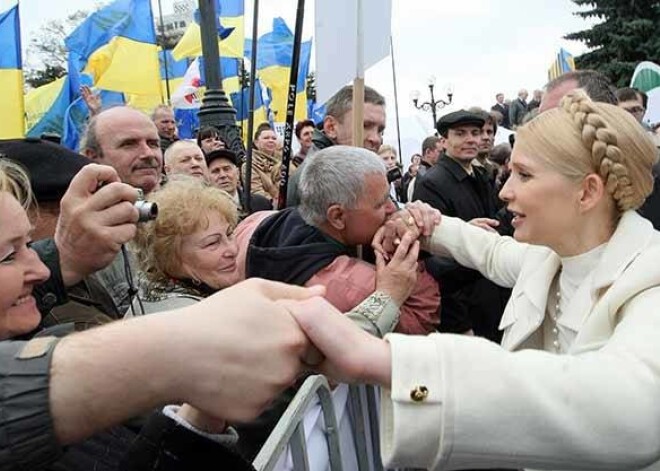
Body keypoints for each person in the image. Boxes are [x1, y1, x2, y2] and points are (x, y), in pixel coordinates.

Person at [291, 90, 660, 471]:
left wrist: (392, 363)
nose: (505, 190)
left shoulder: (650, 279)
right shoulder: (553, 256)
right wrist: (420, 223)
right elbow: (489, 251)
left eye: (525, 175)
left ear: (587, 192)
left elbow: (636, 411)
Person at [0, 158, 339, 470]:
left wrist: (201, 417)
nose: (231, 250)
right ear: (171, 256)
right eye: (8, 255)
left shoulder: (205, 296)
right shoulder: (180, 312)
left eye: (28, 245)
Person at [413, 110, 509, 341]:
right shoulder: (432, 183)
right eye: (460, 134)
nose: (471, 139)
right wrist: (459, 324)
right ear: (444, 141)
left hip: (495, 299)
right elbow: (432, 263)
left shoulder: (480, 175)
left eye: (475, 133)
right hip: (467, 311)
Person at [286, 85, 387, 206]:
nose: (376, 139)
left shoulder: (358, 171)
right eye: (365, 126)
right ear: (331, 127)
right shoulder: (317, 180)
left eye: (380, 130)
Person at [206, 148, 272, 219]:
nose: (223, 175)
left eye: (227, 169)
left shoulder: (261, 204)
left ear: (237, 173)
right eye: (216, 171)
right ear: (207, 177)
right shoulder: (204, 210)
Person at [244, 124, 282, 203]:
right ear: (256, 142)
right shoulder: (249, 165)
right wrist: (275, 203)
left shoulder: (285, 161)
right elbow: (256, 191)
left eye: (274, 138)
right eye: (266, 138)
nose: (271, 140)